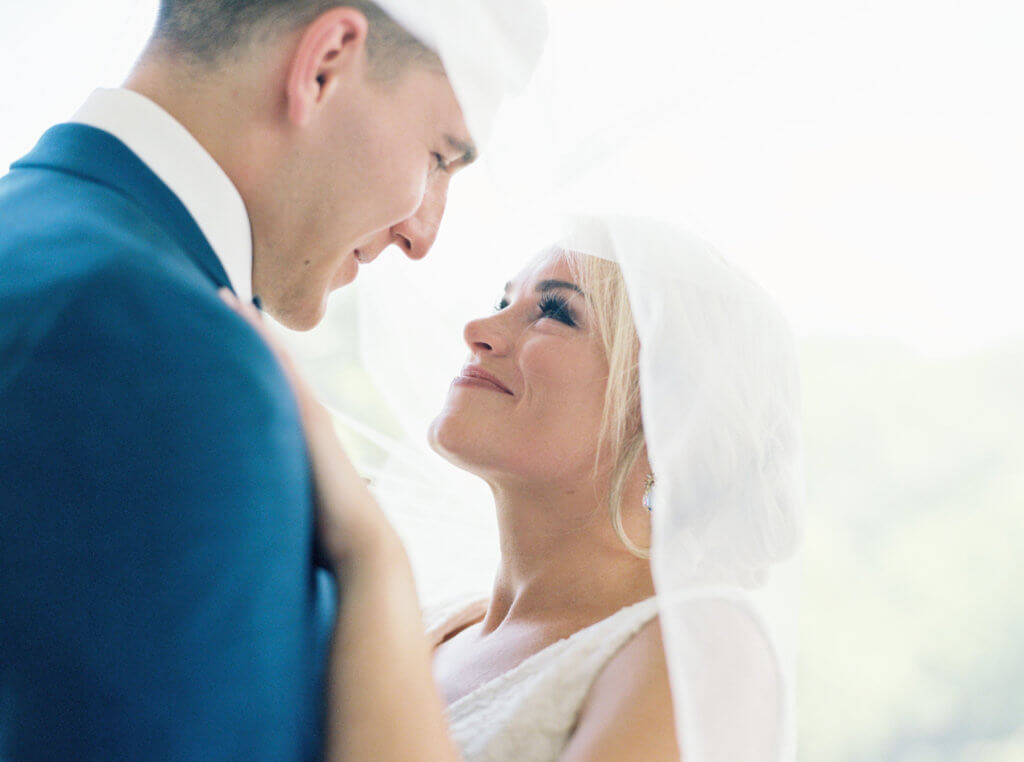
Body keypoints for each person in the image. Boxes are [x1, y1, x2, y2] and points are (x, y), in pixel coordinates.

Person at [0, 1, 544, 759]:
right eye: (439, 158)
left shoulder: (40, 238)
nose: (423, 234)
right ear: (325, 65)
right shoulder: (170, 355)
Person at [225, 214, 805, 761]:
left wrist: (373, 554)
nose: (478, 329)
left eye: (554, 312)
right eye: (504, 301)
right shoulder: (431, 623)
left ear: (667, 416)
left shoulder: (705, 648)